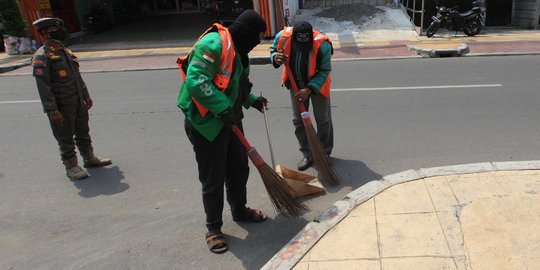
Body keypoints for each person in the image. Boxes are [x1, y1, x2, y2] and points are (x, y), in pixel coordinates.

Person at [176, 10, 269, 254]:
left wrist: (250, 100)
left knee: (239, 167)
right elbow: (197, 82)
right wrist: (222, 108)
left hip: (230, 118)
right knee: (213, 176)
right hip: (206, 123)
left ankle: (239, 209)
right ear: (247, 33)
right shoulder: (213, 44)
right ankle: (213, 229)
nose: (258, 43)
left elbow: (234, 83)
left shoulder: (237, 48)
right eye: (257, 37)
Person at [31, 18, 111, 181]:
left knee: (83, 132)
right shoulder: (42, 56)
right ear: (46, 32)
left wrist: (86, 95)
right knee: (65, 137)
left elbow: (77, 77)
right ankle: (71, 166)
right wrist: (52, 110)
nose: (61, 31)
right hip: (61, 105)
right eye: (55, 29)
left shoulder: (64, 51)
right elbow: (43, 87)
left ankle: (89, 158)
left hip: (77, 101)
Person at [270, 21, 334, 171]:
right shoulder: (283, 37)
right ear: (293, 37)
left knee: (323, 120)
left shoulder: (323, 44)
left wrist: (310, 89)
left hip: (318, 84)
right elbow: (273, 50)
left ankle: (324, 153)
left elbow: (325, 71)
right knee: (299, 120)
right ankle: (307, 153)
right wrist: (275, 57)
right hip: (295, 84)